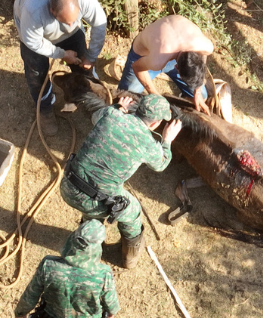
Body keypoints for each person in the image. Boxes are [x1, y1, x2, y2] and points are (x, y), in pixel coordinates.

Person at [60, 94, 181, 269]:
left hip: (68, 186)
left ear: (137, 108)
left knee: (96, 196)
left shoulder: (111, 115)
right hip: (94, 202)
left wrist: (118, 107)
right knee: (133, 212)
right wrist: (167, 140)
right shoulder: (148, 143)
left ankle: (89, 228)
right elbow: (161, 164)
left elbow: (96, 117)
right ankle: (128, 258)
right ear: (155, 124)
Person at [14, 0, 107, 135]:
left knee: (84, 70)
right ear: (52, 11)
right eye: (66, 21)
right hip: (34, 36)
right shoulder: (32, 10)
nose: (70, 24)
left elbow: (99, 23)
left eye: (73, 20)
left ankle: (84, 98)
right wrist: (62, 54)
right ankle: (45, 109)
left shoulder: (86, 2)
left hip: (72, 34)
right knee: (37, 76)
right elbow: (33, 42)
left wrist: (91, 57)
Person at [117, 15, 213, 115]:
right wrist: (155, 94)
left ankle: (182, 100)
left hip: (171, 54)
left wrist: (197, 91)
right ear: (177, 68)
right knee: (127, 97)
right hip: (144, 57)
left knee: (202, 94)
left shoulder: (205, 47)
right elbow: (137, 67)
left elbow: (203, 55)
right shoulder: (157, 60)